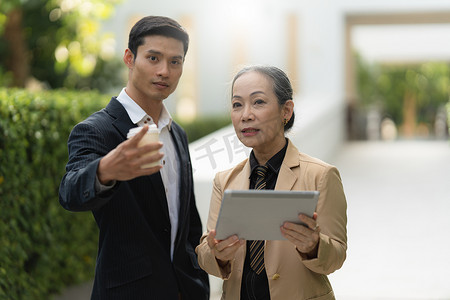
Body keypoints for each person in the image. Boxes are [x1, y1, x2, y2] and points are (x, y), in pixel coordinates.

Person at [59, 16, 209, 300]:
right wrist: (105, 170)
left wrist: (195, 276)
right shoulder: (96, 130)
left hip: (185, 290)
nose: (164, 71)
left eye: (175, 62)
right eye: (153, 58)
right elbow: (70, 192)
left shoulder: (177, 133)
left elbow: (187, 223)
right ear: (129, 58)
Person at [196, 65, 347, 300]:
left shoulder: (321, 176)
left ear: (286, 111)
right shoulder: (225, 181)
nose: (245, 114)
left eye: (258, 102)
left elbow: (336, 257)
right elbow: (206, 254)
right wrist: (218, 253)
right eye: (237, 104)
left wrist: (314, 246)